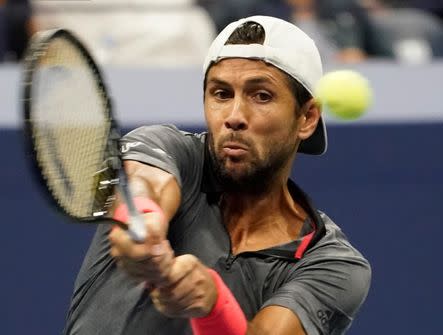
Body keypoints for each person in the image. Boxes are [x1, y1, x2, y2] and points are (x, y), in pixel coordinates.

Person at [63, 16, 371, 335]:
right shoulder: (169, 149)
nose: (234, 116)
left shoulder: (333, 264)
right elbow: (145, 183)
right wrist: (145, 220)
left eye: (261, 95)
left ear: (306, 117)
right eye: (221, 94)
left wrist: (213, 304)